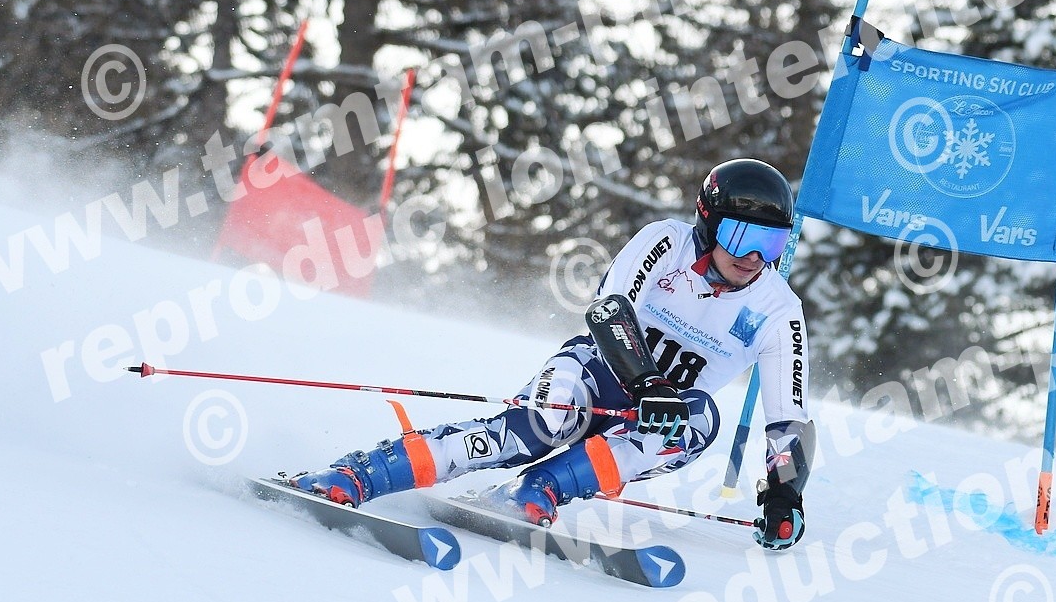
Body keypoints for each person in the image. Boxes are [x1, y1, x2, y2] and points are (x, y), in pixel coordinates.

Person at [290, 157, 813, 550]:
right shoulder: (666, 242)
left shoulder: (779, 311)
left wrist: (785, 493)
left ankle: (536, 492)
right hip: (594, 374)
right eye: (742, 236)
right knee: (536, 428)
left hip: (653, 421)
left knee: (699, 418)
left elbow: (788, 419)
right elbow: (609, 310)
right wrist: (647, 382)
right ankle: (357, 475)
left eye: (771, 245)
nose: (753, 258)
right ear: (708, 222)